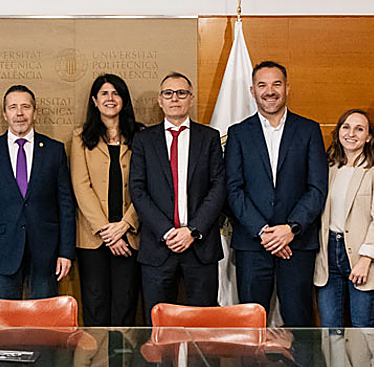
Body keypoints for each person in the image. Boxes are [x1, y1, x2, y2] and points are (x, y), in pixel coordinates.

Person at [224, 61, 327, 327]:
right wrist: (264, 232)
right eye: (262, 85)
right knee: (250, 325)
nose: (269, 91)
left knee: (299, 324)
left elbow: (317, 188)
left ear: (287, 88)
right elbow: (233, 190)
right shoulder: (238, 133)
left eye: (276, 84)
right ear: (252, 91)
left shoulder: (309, 130)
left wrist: (291, 229)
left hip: (296, 245)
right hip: (252, 245)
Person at [130, 72, 225, 319]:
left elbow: (218, 187)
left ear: (191, 99)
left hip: (200, 246)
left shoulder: (209, 138)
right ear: (160, 101)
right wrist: (167, 232)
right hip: (158, 247)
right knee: (159, 326)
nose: (175, 98)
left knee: (203, 324)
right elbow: (138, 190)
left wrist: (192, 230)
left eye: (181, 93)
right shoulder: (143, 140)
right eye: (168, 93)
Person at [0, 85, 76, 299]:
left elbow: (66, 206)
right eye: (13, 107)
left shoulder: (54, 150)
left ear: (35, 112)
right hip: (3, 252)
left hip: (46, 253)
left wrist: (66, 252)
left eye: (25, 107)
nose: (19, 113)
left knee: (44, 317)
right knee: (5, 317)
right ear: (5, 114)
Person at [71, 74, 144, 328]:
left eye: (116, 93)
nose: (110, 98)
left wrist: (124, 225)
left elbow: (146, 187)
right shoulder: (80, 137)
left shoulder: (141, 135)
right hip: (93, 239)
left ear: (124, 100)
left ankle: (123, 357)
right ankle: (98, 357)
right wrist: (108, 233)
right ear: (94, 100)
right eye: (104, 93)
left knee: (126, 306)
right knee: (95, 306)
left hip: (130, 236)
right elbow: (81, 187)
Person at [313, 109, 374, 329]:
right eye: (346, 127)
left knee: (362, 329)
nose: (351, 134)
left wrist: (365, 260)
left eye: (359, 129)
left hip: (362, 256)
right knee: (331, 328)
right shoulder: (328, 167)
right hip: (328, 255)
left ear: (368, 137)